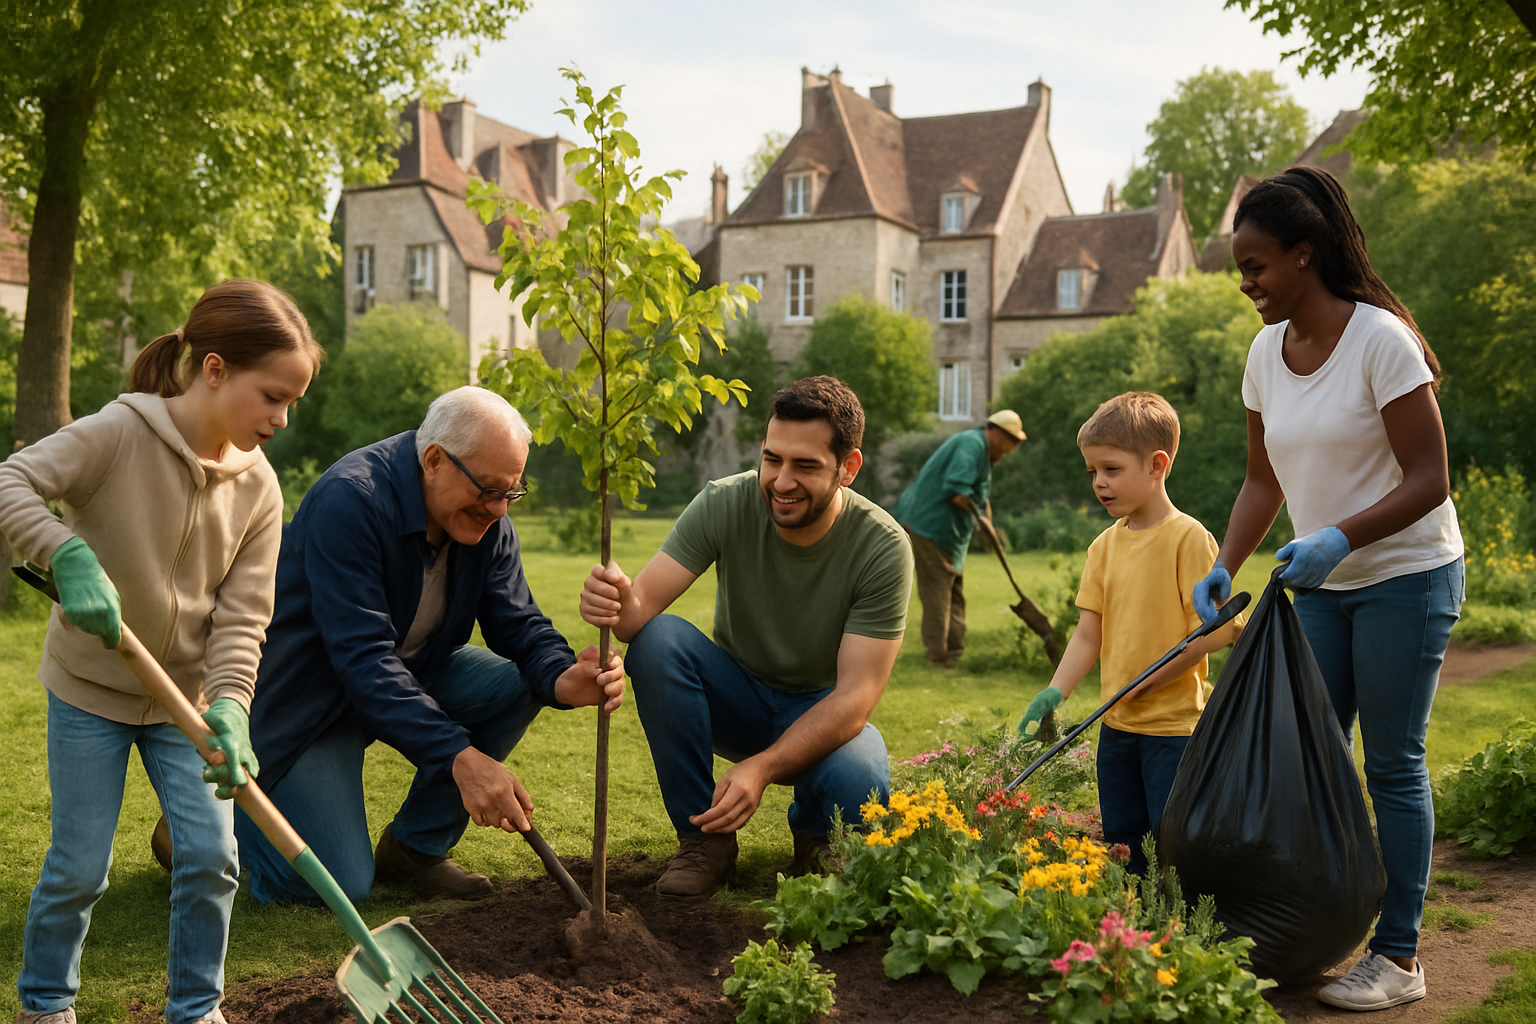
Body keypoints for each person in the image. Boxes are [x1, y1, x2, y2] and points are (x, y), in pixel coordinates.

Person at [0, 280, 322, 1024]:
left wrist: (233, 707)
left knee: (213, 860)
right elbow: (12, 480)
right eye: (273, 396)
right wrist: (63, 551)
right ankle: (46, 1005)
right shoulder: (115, 434)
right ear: (215, 370)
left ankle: (196, 1010)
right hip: (90, 692)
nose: (281, 418)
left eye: (291, 403)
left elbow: (244, 618)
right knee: (80, 869)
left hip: (188, 706)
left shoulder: (261, 491)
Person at [1191, 166, 1463, 1012]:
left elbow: (1431, 480)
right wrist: (1226, 564)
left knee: (1390, 764)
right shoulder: (1264, 354)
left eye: (1258, 267)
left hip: (1404, 578)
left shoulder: (1383, 342)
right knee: (1302, 764)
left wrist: (1341, 536)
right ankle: (1302, 933)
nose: (1248, 286)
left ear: (1305, 255)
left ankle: (1398, 955)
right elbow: (1261, 480)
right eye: (1241, 270)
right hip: (1322, 587)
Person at [235, 386, 625, 905]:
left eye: (510, 492)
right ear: (434, 460)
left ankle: (414, 849)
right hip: (310, 700)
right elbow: (363, 659)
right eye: (487, 489)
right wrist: (462, 758)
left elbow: (517, 621)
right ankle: (212, 837)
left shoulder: (488, 519)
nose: (498, 510)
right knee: (341, 884)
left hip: (407, 672)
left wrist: (561, 675)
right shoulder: (351, 500)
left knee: (518, 684)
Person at [580, 376, 913, 898]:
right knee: (658, 640)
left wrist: (762, 768)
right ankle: (704, 841)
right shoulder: (726, 502)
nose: (780, 481)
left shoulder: (883, 547)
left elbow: (855, 701)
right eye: (772, 458)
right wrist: (617, 599)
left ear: (848, 469)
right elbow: (636, 616)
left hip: (822, 711)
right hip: (737, 696)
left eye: (805, 466)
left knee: (862, 784)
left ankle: (816, 835)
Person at [1015, 392, 1240, 877]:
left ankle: (1182, 929)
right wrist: (1056, 690)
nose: (1099, 483)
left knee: (1172, 841)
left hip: (1173, 730)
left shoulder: (1188, 539)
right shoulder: (1104, 547)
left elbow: (1218, 632)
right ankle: (1132, 930)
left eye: (1111, 470)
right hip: (1116, 728)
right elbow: (1087, 634)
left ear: (1157, 465)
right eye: (1093, 471)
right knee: (1123, 840)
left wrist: (1154, 678)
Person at [893, 410, 1026, 667]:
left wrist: (987, 521)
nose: (1011, 450)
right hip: (930, 525)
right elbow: (957, 492)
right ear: (996, 432)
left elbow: (979, 496)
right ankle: (938, 657)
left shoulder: (983, 454)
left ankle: (954, 652)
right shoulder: (972, 444)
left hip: (951, 534)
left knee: (953, 590)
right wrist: (981, 519)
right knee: (938, 592)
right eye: (1011, 442)